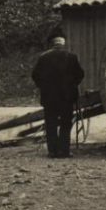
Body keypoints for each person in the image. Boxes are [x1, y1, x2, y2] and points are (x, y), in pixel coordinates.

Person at [31, 27, 85, 158]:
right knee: (66, 123)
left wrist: (43, 86)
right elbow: (80, 74)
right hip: (66, 97)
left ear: (52, 43)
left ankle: (52, 151)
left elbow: (35, 75)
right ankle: (64, 151)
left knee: (51, 123)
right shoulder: (72, 57)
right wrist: (72, 85)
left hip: (49, 97)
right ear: (63, 42)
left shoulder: (43, 58)